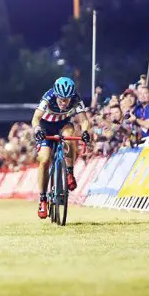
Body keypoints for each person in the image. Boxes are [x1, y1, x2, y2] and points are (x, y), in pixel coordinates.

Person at [31, 77, 91, 219]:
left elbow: (84, 120)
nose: (64, 103)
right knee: (44, 160)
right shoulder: (48, 97)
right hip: (46, 126)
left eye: (67, 100)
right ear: (56, 95)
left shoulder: (76, 98)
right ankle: (43, 199)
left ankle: (70, 173)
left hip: (63, 124)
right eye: (61, 100)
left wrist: (85, 132)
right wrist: (37, 130)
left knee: (70, 135)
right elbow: (35, 118)